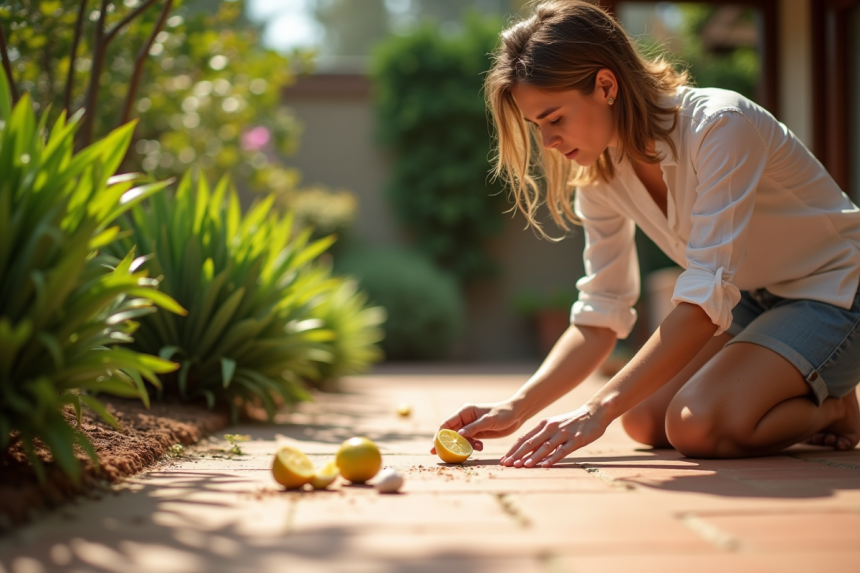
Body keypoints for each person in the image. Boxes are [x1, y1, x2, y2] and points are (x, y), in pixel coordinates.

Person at [432, 0, 860, 468]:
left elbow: (704, 304)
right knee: (640, 418)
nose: (548, 143)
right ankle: (801, 390)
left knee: (697, 424)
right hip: (752, 299)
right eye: (538, 126)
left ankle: (835, 409)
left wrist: (596, 409)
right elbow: (601, 312)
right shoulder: (599, 173)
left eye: (555, 119)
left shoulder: (720, 126)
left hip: (836, 290)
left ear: (606, 85)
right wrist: (517, 407)